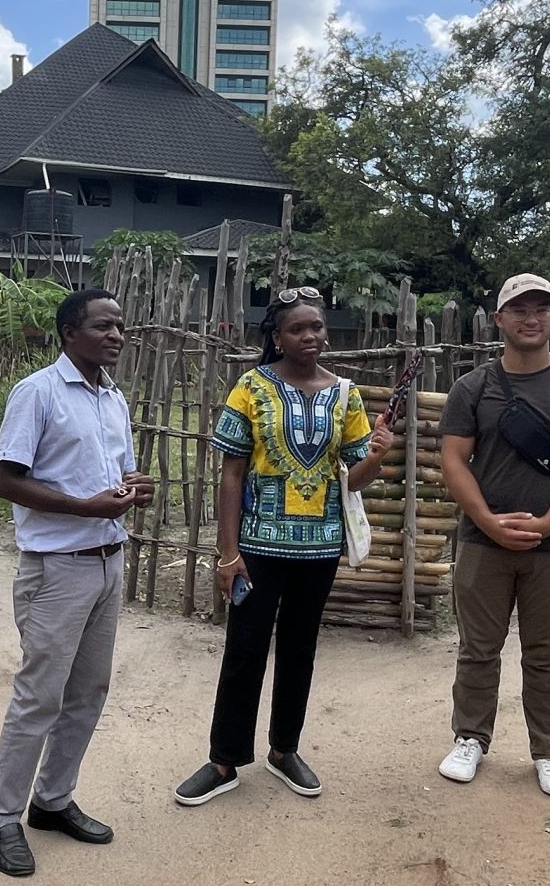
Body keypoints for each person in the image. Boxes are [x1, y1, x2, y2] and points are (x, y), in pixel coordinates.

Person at [174, 286, 394, 808]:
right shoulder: (250, 387)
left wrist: (381, 453)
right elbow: (230, 475)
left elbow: (356, 479)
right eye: (298, 328)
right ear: (276, 336)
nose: (311, 336)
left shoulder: (346, 395)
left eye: (317, 327)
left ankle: (284, 749)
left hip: (319, 547)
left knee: (300, 648)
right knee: (244, 648)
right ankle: (224, 760)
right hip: (257, 547)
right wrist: (228, 554)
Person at [0, 288, 154, 878]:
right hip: (57, 568)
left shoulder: (112, 397)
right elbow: (7, 480)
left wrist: (132, 490)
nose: (116, 335)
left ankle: (51, 802)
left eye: (121, 327)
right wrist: (84, 507)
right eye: (104, 326)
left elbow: (111, 476)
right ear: (68, 332)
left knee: (88, 693)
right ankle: (1, 818)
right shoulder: (38, 393)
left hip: (108, 562)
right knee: (39, 697)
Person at [432, 274, 550, 799]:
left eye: (541, 308)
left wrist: (548, 522)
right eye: (518, 309)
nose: (530, 318)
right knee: (477, 649)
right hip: (482, 542)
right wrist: (488, 521)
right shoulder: (472, 388)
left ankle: (549, 751)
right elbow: (453, 460)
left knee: (547, 653)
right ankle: (469, 737)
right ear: (499, 319)